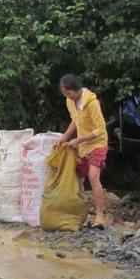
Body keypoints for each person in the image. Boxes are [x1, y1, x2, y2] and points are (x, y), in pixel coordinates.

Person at [56, 74, 109, 228]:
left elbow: (100, 130)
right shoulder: (70, 101)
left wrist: (78, 140)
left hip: (97, 143)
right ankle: (82, 213)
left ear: (78, 90)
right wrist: (65, 137)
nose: (68, 97)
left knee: (93, 177)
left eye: (69, 93)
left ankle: (100, 216)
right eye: (65, 94)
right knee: (78, 179)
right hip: (83, 145)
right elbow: (75, 120)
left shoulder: (92, 103)